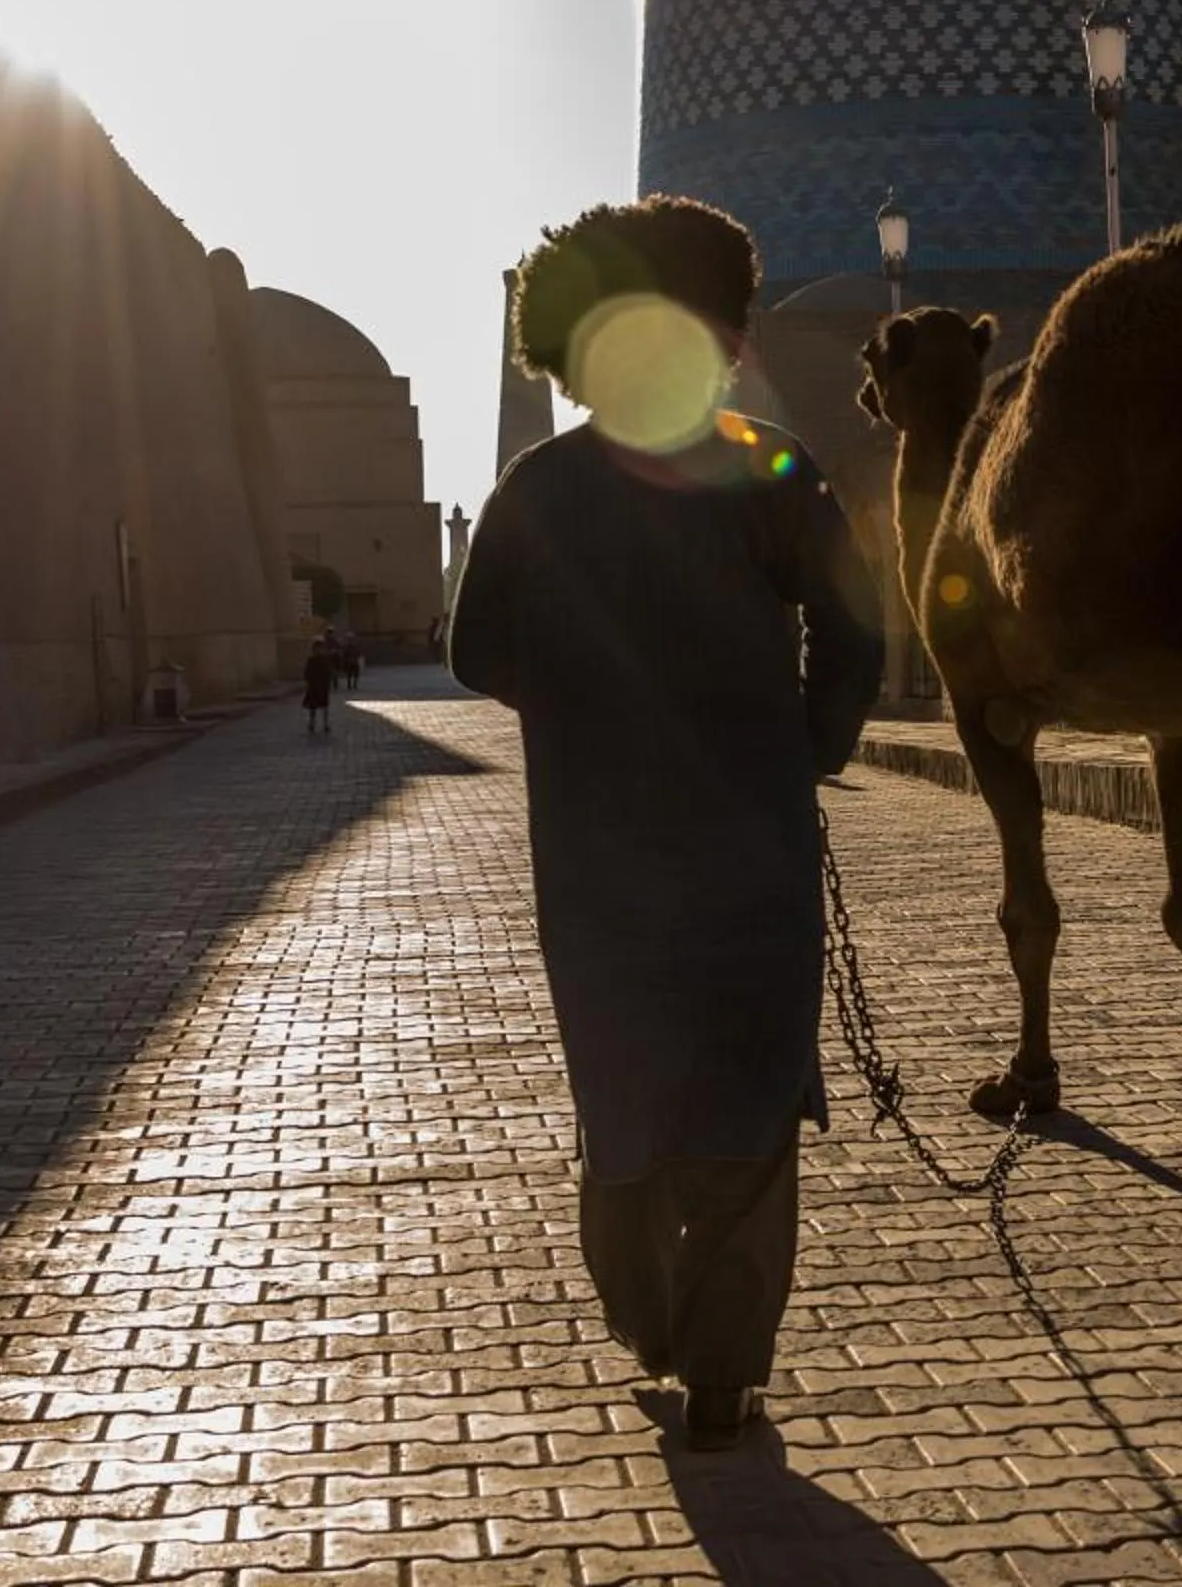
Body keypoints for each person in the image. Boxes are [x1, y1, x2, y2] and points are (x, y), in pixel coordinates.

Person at [450, 196, 885, 1451]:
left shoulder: (534, 487)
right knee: (746, 1102)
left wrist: (588, 712)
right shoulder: (774, 465)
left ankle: (657, 1322)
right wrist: (808, 741)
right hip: (750, 847)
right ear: (726, 331)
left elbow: (476, 652)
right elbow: (856, 629)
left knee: (628, 1101)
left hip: (596, 861)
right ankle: (722, 1370)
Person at [300, 636, 338, 736]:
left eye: (320, 648)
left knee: (324, 707)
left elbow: (329, 672)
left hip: (322, 686)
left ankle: (325, 724)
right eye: (316, 648)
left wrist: (329, 682)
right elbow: (307, 673)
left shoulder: (325, 660)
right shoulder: (311, 660)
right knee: (313, 707)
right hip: (314, 686)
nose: (318, 650)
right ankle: (312, 723)